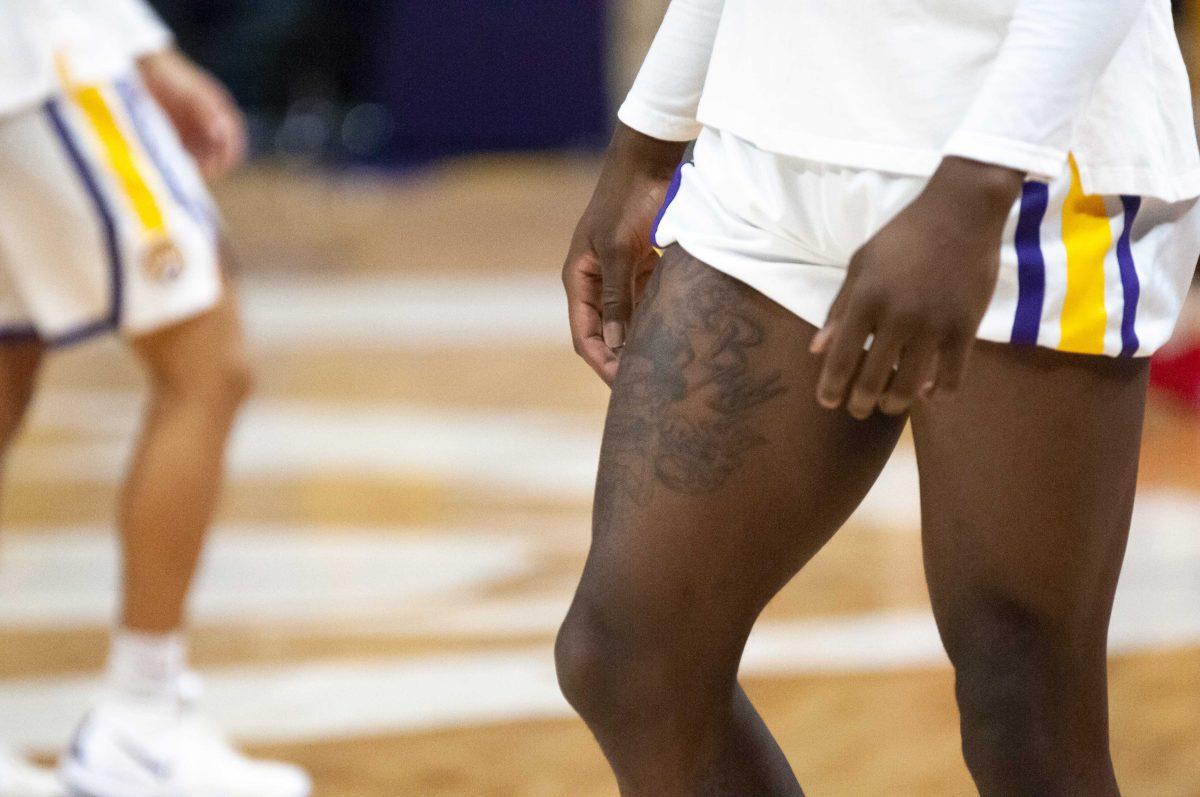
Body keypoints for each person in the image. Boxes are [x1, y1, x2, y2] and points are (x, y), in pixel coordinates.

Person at [558, 0, 1200, 794]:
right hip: (768, 148)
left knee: (1023, 703)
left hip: (1024, 172)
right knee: (632, 656)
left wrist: (978, 184)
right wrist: (649, 141)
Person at [0, 2, 309, 796]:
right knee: (208, 360)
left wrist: (140, 45)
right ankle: (139, 725)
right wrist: (132, 46)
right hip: (33, 56)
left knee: (6, 367)